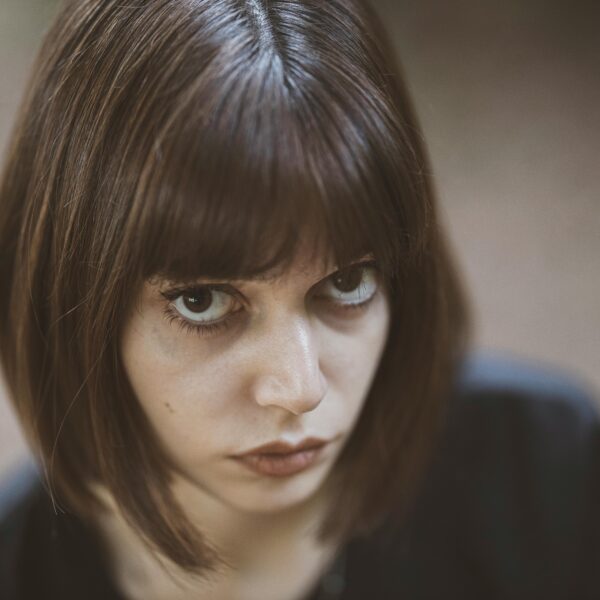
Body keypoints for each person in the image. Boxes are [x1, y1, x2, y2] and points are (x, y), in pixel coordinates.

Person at [0, 1, 597, 599]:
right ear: (72, 300)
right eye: (202, 301)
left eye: (348, 283)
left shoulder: (548, 480)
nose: (300, 389)